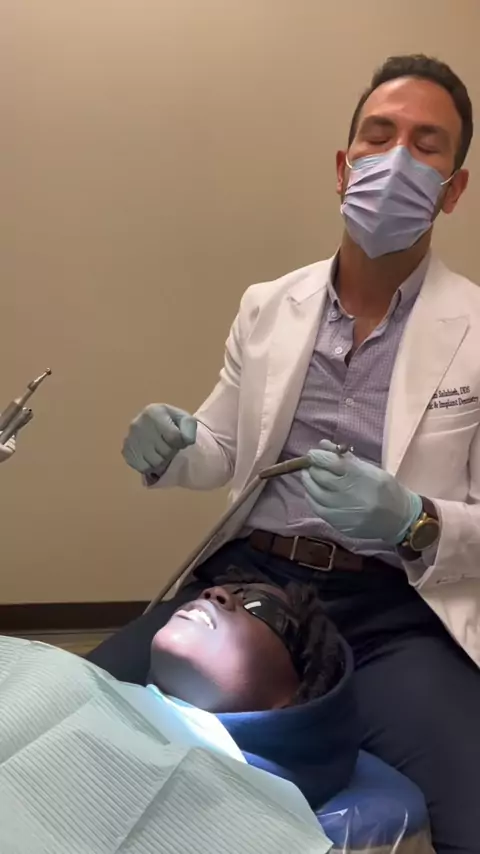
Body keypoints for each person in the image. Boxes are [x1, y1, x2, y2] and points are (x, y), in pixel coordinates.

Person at [89, 54, 480, 854]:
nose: (397, 158)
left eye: (426, 144)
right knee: (69, 716)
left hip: (395, 612)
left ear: (454, 188)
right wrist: (171, 447)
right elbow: (224, 450)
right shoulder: (269, 306)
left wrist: (414, 522)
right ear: (344, 166)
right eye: (379, 135)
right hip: (249, 585)